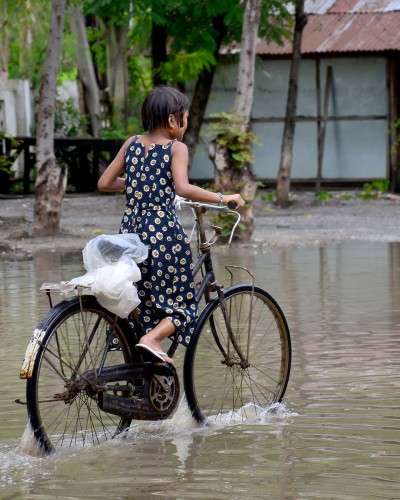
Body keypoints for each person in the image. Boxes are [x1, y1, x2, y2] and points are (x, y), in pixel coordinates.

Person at [98, 86, 245, 364]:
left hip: (130, 232)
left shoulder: (131, 143)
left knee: (138, 304)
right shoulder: (175, 148)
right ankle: (152, 339)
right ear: (171, 120)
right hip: (161, 233)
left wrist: (138, 183)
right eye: (184, 117)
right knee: (182, 305)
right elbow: (183, 188)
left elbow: (104, 183)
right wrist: (224, 197)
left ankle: (140, 373)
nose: (185, 123)